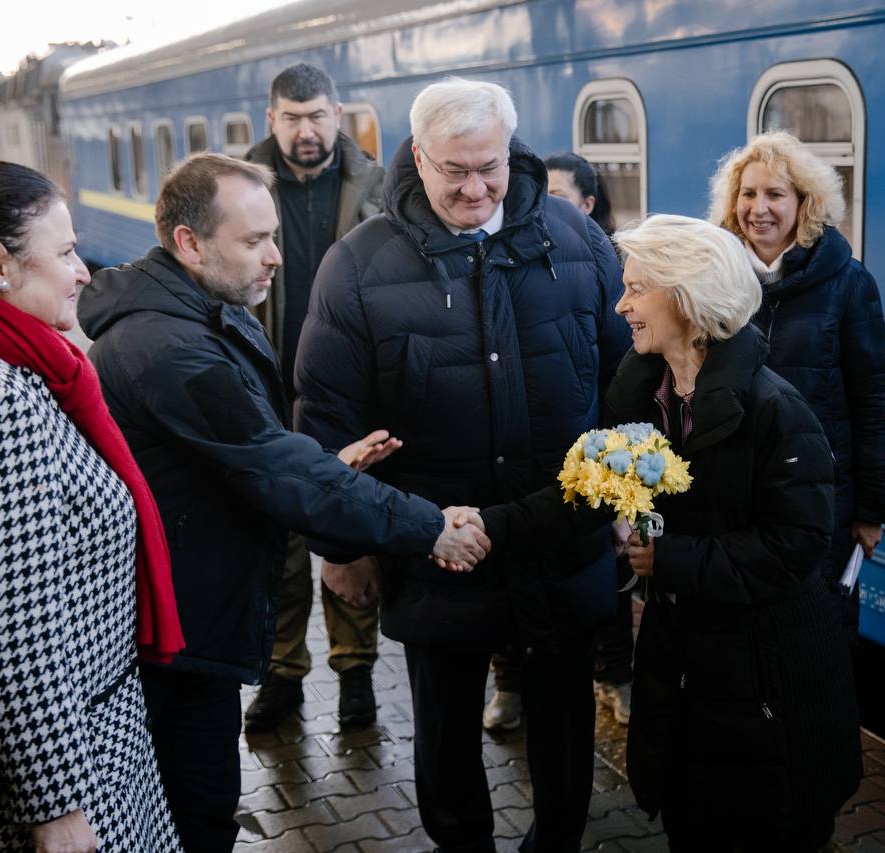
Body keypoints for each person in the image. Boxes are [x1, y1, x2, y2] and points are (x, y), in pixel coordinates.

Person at [76, 153, 490, 852]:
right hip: (177, 630)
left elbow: (250, 454)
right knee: (199, 808)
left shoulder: (195, 310)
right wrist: (427, 527)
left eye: (273, 235)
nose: (275, 256)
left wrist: (321, 469)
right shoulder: (170, 346)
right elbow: (271, 465)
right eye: (254, 240)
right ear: (189, 243)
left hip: (187, 609)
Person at [293, 78, 631, 853]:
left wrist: (623, 498)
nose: (475, 187)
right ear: (419, 157)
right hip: (435, 550)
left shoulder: (576, 243)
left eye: (490, 167)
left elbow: (627, 384)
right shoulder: (357, 267)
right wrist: (341, 549)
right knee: (444, 736)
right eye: (455, 171)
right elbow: (326, 418)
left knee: (564, 731)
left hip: (562, 540)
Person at [478, 214, 862, 852]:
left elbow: (796, 548)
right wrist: (479, 528)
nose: (620, 303)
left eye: (636, 288)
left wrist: (670, 558)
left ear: (687, 295)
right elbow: (581, 489)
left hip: (766, 673)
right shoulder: (640, 390)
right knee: (692, 817)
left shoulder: (775, 410)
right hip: (683, 659)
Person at [0, 161, 181, 850]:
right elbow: (8, 637)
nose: (83, 270)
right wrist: (58, 806)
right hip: (45, 777)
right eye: (63, 252)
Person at [242, 62, 389, 734]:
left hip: (345, 387)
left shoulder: (375, 186)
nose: (307, 131)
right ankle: (282, 677)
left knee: (347, 524)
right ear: (271, 119)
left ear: (338, 114)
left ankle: (356, 674)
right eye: (293, 118)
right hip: (266, 388)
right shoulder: (238, 186)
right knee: (277, 541)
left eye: (318, 116)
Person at [709, 130, 885, 632]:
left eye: (775, 194)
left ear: (804, 203)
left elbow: (873, 398)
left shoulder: (848, 282)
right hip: (737, 495)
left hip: (821, 500)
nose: (759, 208)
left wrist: (873, 509)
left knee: (818, 635)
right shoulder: (716, 279)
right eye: (748, 193)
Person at [482, 151, 631, 733]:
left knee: (597, 592)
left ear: (587, 207)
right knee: (510, 585)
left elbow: (618, 375)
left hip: (585, 474)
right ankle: (509, 685)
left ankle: (613, 675)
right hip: (519, 476)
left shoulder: (598, 261)